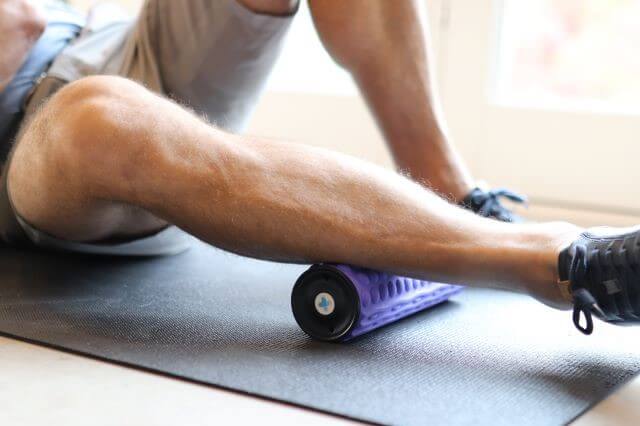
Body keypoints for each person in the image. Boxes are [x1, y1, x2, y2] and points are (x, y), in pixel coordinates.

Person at [0, 0, 637, 336]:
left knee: (99, 101)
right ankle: (566, 264)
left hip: (97, 36)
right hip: (27, 146)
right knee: (97, 122)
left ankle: (456, 194)